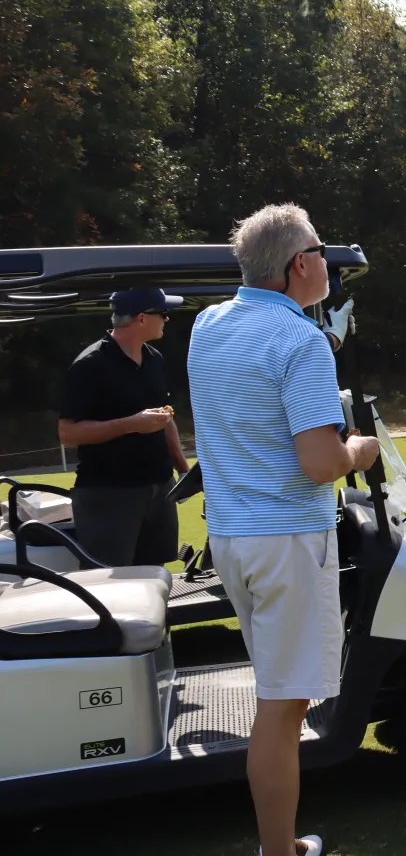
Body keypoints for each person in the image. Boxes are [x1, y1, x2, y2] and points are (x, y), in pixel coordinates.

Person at [188, 203, 379, 856]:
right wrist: (361, 449)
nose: (325, 261)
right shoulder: (301, 341)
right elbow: (321, 462)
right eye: (320, 250)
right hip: (287, 542)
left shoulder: (206, 326)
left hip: (233, 537)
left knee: (278, 691)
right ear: (300, 264)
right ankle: (279, 849)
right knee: (283, 705)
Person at [57, 288, 189, 566]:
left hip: (159, 487)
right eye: (163, 313)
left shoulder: (155, 359)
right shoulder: (90, 364)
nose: (167, 320)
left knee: (154, 578)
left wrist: (183, 471)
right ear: (142, 318)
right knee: (108, 584)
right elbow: (68, 434)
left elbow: (165, 418)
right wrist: (131, 424)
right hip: (109, 493)